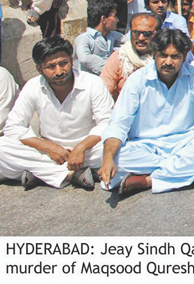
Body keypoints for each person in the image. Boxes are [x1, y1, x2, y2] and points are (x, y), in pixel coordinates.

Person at [99, 29, 194, 195]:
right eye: (163, 55)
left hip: (187, 142)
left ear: (184, 57)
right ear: (154, 55)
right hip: (147, 147)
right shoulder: (137, 80)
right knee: (116, 157)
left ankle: (150, 180)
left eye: (175, 56)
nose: (168, 62)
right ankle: (191, 173)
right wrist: (107, 159)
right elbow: (119, 123)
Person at [0, 37, 112, 190]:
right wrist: (48, 147)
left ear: (71, 61)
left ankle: (41, 173)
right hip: (50, 153)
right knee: (2, 147)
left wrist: (81, 147)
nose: (59, 71)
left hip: (89, 150)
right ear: (39, 69)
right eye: (51, 66)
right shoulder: (33, 86)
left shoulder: (93, 83)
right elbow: (13, 127)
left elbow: (107, 122)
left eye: (63, 63)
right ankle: (72, 175)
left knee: (119, 148)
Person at [100, 12, 161, 100]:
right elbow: (104, 92)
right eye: (136, 33)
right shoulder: (120, 57)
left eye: (147, 34)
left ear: (158, 34)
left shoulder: (164, 58)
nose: (141, 38)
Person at [74, 0, 123, 75]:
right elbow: (84, 58)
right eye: (114, 16)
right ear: (103, 19)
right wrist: (111, 68)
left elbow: (128, 39)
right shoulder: (84, 38)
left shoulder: (111, 35)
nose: (117, 20)